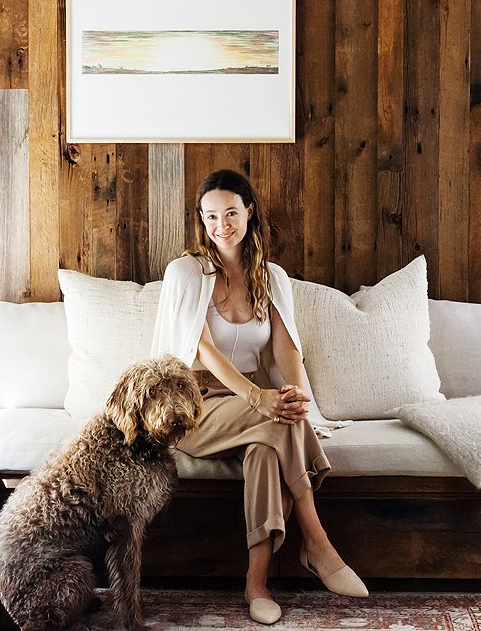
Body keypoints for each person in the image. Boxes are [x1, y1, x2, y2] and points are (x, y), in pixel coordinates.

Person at [151, 169, 367, 625]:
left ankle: (257, 584)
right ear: (201, 219)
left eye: (231, 213)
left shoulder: (271, 277)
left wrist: (295, 396)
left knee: (267, 450)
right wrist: (258, 398)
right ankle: (317, 544)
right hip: (192, 404)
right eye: (211, 216)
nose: (221, 225)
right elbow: (201, 349)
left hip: (252, 405)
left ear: (249, 211)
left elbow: (286, 348)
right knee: (276, 421)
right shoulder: (186, 273)